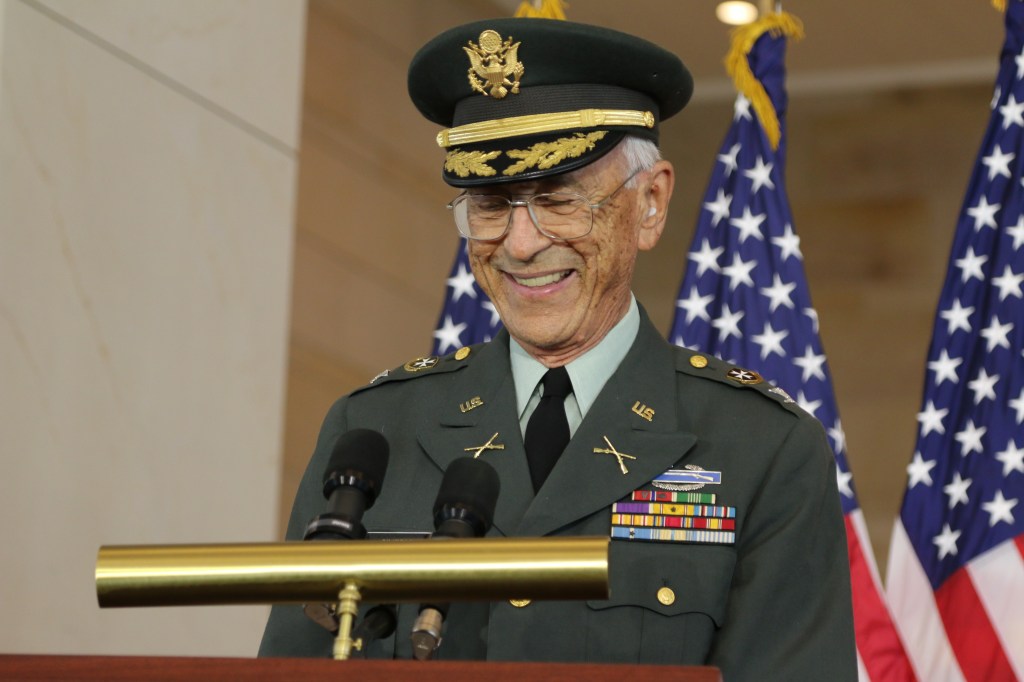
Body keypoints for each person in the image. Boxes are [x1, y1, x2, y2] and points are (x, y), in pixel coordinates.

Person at [260, 16, 856, 679]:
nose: (519, 244)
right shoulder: (372, 432)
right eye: (491, 204)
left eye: (557, 199)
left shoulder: (763, 450)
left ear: (650, 204)